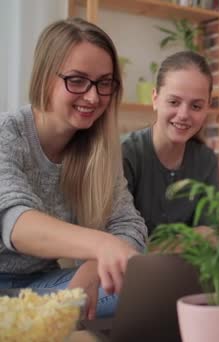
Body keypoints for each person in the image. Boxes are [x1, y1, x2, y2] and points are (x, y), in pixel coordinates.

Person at [0, 18, 147, 319]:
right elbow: (14, 221)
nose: (93, 97)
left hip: (39, 285)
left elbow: (129, 226)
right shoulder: (7, 134)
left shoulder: (100, 149)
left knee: (143, 290)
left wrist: (94, 270)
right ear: (44, 77)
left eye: (104, 83)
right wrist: (100, 246)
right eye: (77, 80)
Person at [122, 51, 219, 236]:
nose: (183, 114)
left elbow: (209, 232)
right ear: (155, 99)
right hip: (132, 265)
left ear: (207, 107)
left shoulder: (206, 160)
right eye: (174, 101)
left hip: (186, 265)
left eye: (196, 106)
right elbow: (120, 238)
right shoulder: (126, 153)